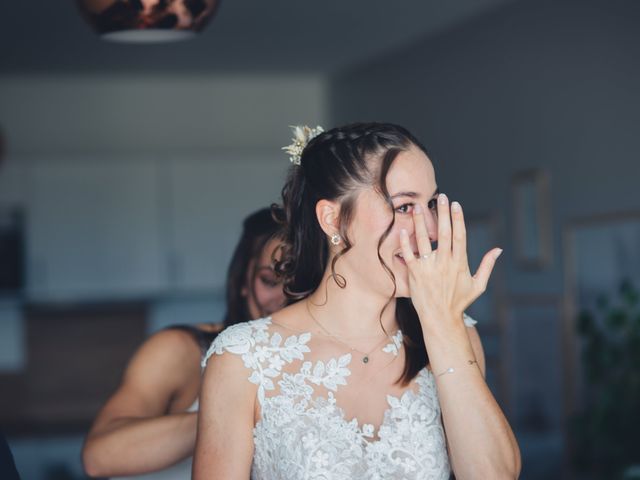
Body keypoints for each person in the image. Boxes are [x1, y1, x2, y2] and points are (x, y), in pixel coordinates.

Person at [193, 123, 521, 479]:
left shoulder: (456, 335)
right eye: (405, 207)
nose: (428, 229)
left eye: (429, 205)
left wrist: (444, 324)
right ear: (333, 220)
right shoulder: (243, 359)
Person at [82, 207, 286, 479]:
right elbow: (99, 457)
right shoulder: (181, 349)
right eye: (270, 281)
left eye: (302, 283)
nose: (285, 298)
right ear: (243, 283)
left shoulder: (329, 364)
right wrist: (232, 413)